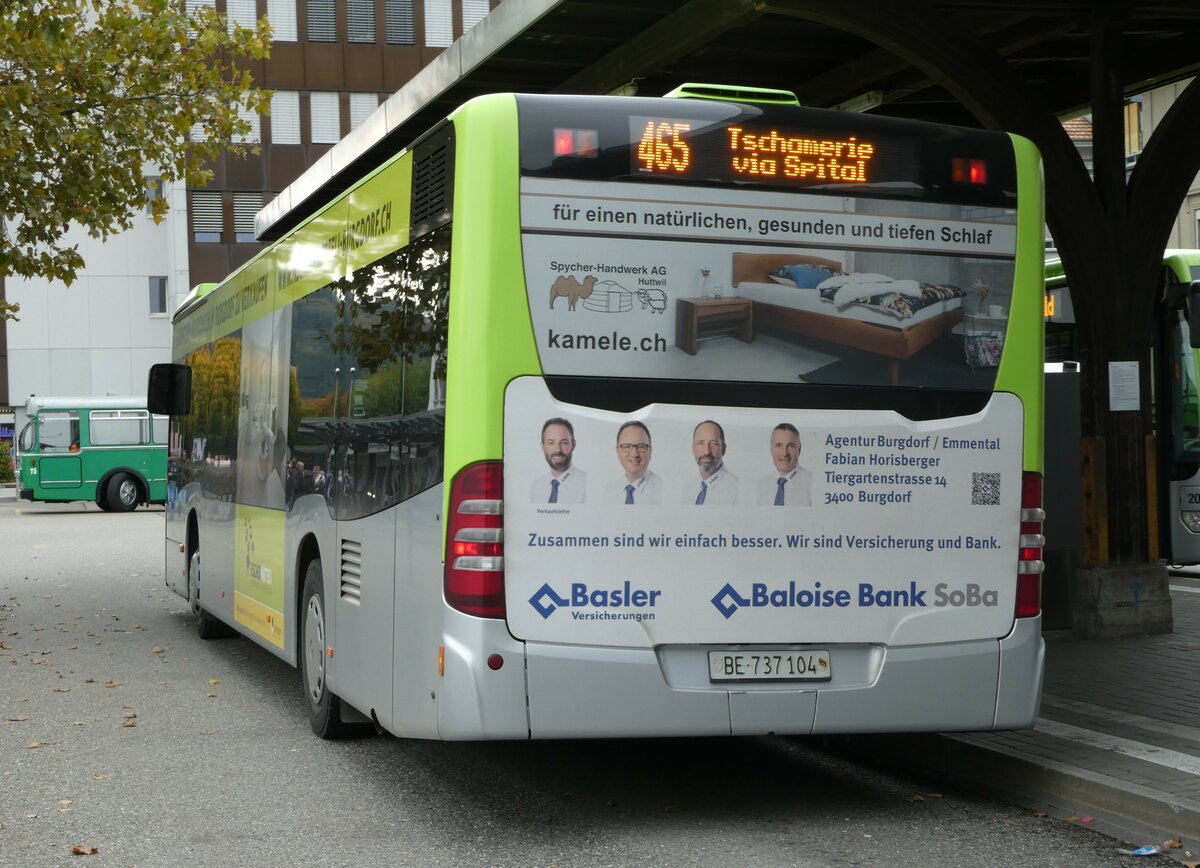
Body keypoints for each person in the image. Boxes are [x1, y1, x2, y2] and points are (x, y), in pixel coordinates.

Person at [605, 420, 662, 505]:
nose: (634, 454)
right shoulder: (608, 491)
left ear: (650, 451)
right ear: (617, 451)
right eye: (627, 446)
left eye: (641, 447)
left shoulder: (664, 491)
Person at [530, 417, 587, 503]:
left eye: (564, 442)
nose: (557, 450)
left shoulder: (587, 485)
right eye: (551, 443)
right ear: (543, 446)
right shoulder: (536, 487)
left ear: (573, 445)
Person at [684, 420, 738, 505]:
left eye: (714, 444)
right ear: (693, 448)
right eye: (701, 443)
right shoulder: (687, 488)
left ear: (723, 449)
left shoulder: (736, 492)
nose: (707, 451)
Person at [756, 423, 811, 506]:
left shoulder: (812, 484)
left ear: (799, 450)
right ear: (771, 450)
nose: (785, 453)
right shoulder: (760, 486)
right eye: (779, 445)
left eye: (791, 446)